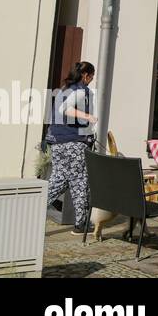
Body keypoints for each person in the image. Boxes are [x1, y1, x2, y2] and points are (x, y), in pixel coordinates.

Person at [45, 62, 97, 234]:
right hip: (73, 143)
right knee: (80, 181)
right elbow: (65, 109)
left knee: (58, 179)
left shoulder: (65, 88)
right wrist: (88, 116)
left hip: (57, 142)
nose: (91, 80)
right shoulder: (81, 91)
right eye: (92, 76)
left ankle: (32, 207)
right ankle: (81, 224)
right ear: (85, 75)